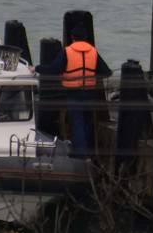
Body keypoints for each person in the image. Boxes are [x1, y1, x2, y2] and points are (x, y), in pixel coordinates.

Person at [35, 27, 112, 157]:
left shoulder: (68, 51)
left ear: (72, 37)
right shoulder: (93, 52)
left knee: (77, 123)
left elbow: (53, 69)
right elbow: (106, 72)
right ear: (86, 38)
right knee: (87, 123)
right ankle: (88, 153)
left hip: (74, 93)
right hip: (89, 92)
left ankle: (80, 156)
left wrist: (36, 68)